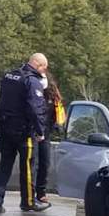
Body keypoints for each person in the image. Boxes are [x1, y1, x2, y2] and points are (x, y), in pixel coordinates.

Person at [0, 53, 51, 214]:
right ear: (39, 65)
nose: (45, 71)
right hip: (24, 132)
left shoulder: (10, 76)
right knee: (28, 169)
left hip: (5, 128)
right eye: (45, 68)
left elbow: (2, 99)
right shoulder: (32, 81)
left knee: (4, 167)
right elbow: (35, 109)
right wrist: (40, 131)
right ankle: (28, 202)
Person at [33, 70, 66, 205]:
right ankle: (30, 194)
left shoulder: (53, 96)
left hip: (46, 133)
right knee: (32, 164)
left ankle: (41, 192)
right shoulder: (33, 92)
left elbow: (59, 113)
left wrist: (59, 125)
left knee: (44, 163)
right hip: (33, 132)